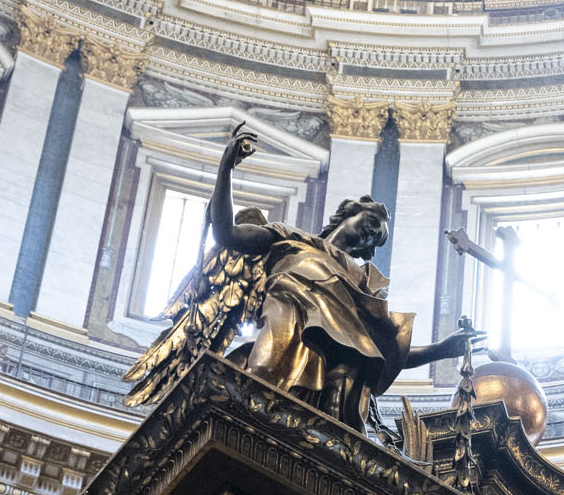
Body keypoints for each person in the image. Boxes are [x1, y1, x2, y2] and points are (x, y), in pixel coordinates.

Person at [199, 131, 476, 429]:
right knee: (264, 374)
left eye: (376, 237)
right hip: (287, 318)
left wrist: (441, 350)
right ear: (348, 213)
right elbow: (225, 233)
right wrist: (226, 167)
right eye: (370, 223)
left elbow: (381, 351)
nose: (371, 234)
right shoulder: (291, 239)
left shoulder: (363, 283)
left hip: (332, 370)